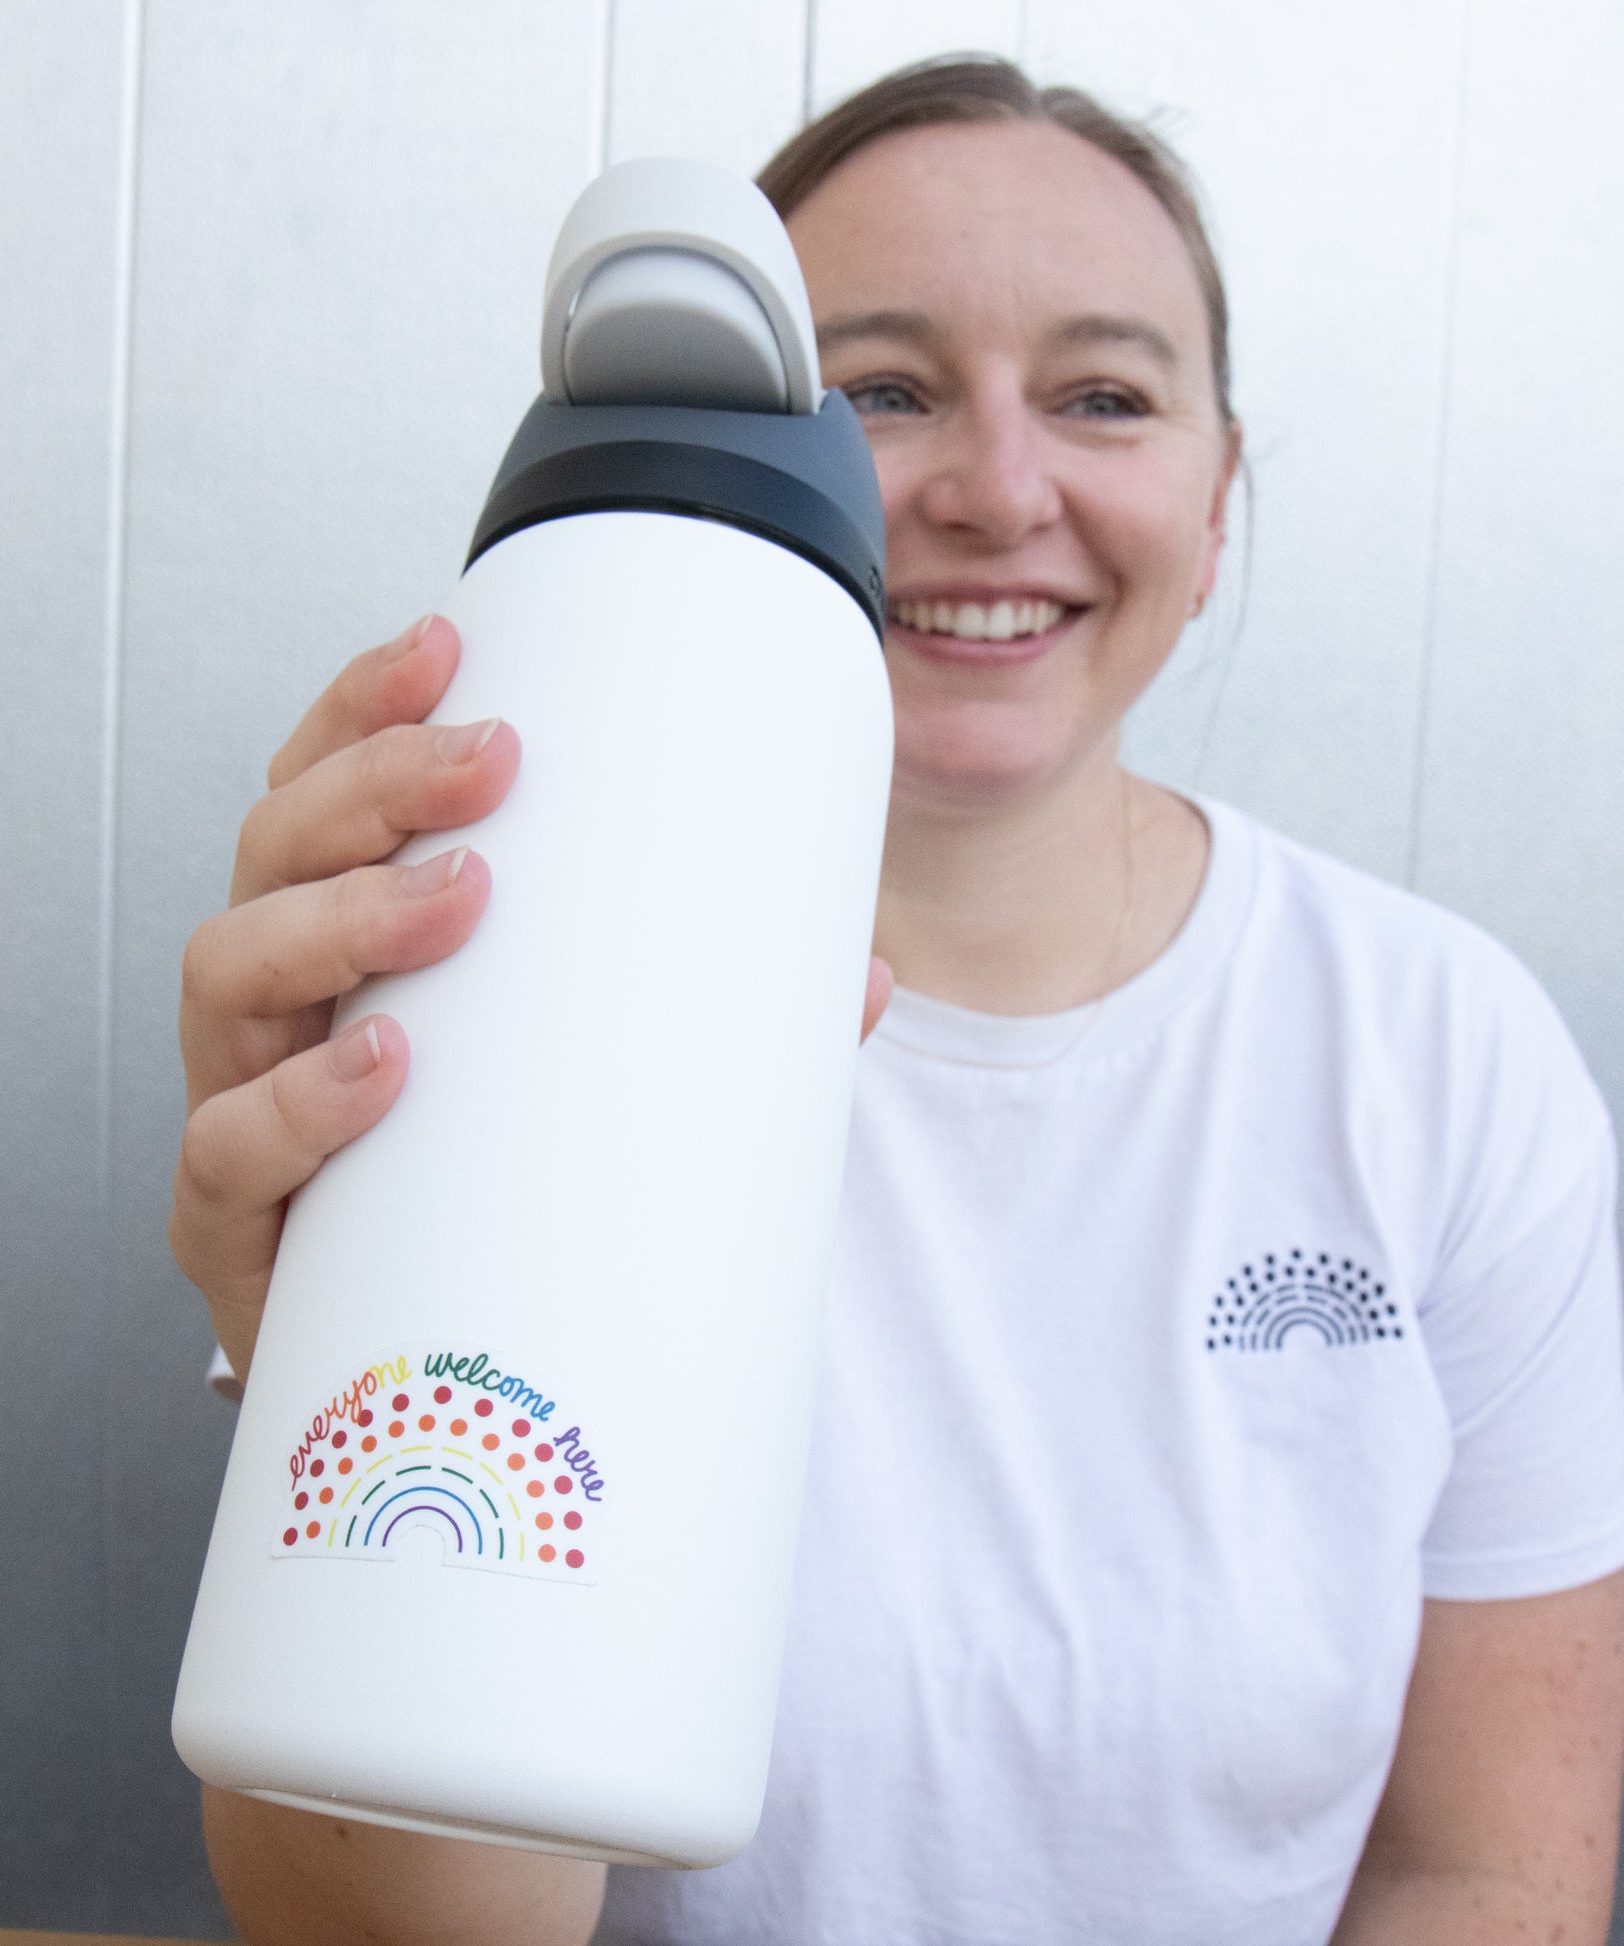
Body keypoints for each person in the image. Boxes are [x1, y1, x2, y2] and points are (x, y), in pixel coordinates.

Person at [169, 54, 1624, 1946]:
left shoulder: (1439, 1048)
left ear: (1217, 487)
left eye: (1102, 395)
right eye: (879, 391)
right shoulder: (487, 1008)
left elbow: (1488, 1871)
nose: (995, 490)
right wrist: (307, 1347)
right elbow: (388, 1929)